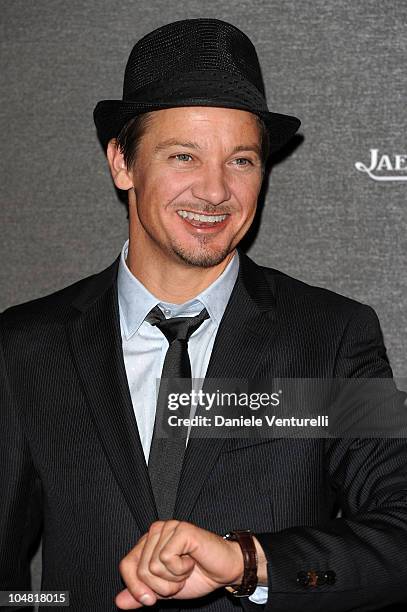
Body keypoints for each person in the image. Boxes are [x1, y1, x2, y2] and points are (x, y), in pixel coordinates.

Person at [1, 17, 406, 612]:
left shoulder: (332, 336)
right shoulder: (26, 347)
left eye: (241, 160)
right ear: (122, 163)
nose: (215, 192)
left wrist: (249, 562)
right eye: (184, 156)